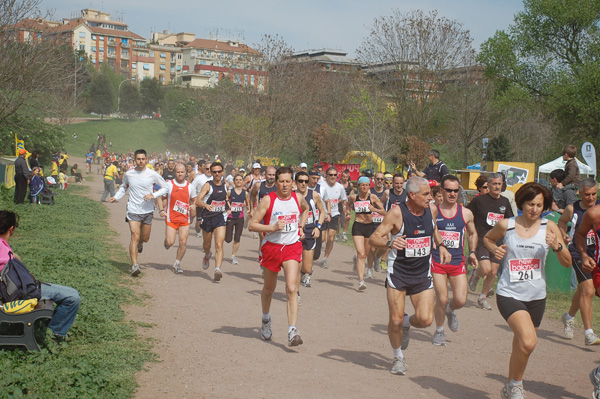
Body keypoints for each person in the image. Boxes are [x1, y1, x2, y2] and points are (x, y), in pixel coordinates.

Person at [483, 182, 570, 399]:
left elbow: (567, 262)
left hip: (537, 297)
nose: (534, 209)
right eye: (531, 204)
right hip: (509, 293)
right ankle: (516, 385)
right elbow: (487, 238)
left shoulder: (549, 227)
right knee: (529, 340)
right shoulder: (507, 225)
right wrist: (495, 250)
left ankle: (509, 386)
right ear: (522, 203)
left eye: (539, 205)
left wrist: (557, 246)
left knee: (522, 345)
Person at [369, 177, 452, 375]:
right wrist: (390, 244)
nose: (430, 197)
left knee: (425, 320)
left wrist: (440, 245)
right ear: (412, 195)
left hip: (422, 274)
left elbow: (434, 228)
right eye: (426, 194)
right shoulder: (397, 213)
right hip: (398, 273)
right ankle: (398, 357)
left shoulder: (431, 210)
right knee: (395, 319)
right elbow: (374, 238)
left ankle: (408, 323)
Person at [249, 166, 309, 346]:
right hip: (272, 248)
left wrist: (300, 226)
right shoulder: (268, 200)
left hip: (292, 247)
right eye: (281, 181)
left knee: (291, 288)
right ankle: (266, 319)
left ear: (293, 183)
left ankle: (292, 330)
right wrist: (272, 228)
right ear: (276, 182)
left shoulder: (298, 198)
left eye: (288, 181)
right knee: (269, 289)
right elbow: (252, 225)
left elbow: (305, 209)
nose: (284, 185)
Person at [0, 210, 81, 342]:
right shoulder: (1, 247)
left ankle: (51, 329)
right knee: (72, 296)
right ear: (11, 228)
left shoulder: (3, 246)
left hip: (20, 288)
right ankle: (55, 335)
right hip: (22, 292)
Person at [431, 175, 478, 346]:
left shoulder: (466, 213)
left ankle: (450, 311)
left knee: (460, 300)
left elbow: (472, 233)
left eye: (455, 190)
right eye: (449, 190)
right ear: (441, 191)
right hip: (437, 262)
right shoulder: (433, 211)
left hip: (457, 262)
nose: (452, 193)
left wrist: (472, 252)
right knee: (441, 298)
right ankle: (439, 330)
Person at [110, 149, 168, 277]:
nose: (140, 161)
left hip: (147, 210)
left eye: (143, 159)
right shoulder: (129, 174)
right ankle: (134, 265)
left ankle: (141, 243)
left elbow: (165, 187)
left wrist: (153, 195)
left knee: (144, 238)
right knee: (134, 236)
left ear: (146, 159)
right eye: (138, 159)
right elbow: (124, 186)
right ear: (134, 160)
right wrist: (116, 197)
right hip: (133, 209)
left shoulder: (152, 174)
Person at [558, 178, 600, 344]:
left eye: (594, 194)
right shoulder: (572, 208)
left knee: (582, 291)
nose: (590, 198)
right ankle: (589, 333)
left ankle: (568, 317)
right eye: (587, 194)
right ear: (579, 193)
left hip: (596, 253)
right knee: (588, 290)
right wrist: (563, 233)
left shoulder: (598, 209)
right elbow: (562, 222)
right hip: (578, 252)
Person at [467, 173, 514, 310]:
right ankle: (476, 274)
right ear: (489, 185)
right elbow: (467, 213)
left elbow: (509, 220)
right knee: (486, 269)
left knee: (493, 272)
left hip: (498, 242)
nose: (497, 186)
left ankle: (482, 297)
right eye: (494, 184)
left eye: (499, 184)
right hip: (482, 239)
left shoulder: (505, 202)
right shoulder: (479, 201)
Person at [158, 163, 197, 274]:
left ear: (186, 173)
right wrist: (161, 210)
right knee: (170, 242)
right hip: (171, 218)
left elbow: (194, 200)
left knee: (183, 242)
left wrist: (193, 205)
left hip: (184, 218)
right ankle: (166, 242)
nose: (180, 174)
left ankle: (177, 263)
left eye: (182, 172)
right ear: (175, 173)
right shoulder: (169, 184)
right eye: (178, 172)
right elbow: (160, 198)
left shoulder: (190, 187)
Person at [349, 176, 386, 289]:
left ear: (369, 186)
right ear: (359, 186)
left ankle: (357, 261)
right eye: (362, 185)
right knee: (361, 254)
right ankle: (361, 281)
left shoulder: (373, 197)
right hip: (358, 226)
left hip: (370, 226)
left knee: (366, 254)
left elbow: (384, 212)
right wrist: (347, 213)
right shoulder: (354, 197)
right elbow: (346, 204)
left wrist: (374, 209)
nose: (364, 187)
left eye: (366, 185)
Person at [196, 162, 228, 281]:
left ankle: (217, 269)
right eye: (214, 172)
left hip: (220, 217)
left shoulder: (226, 185)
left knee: (219, 244)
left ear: (222, 172)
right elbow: (197, 201)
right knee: (207, 245)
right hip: (208, 217)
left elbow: (226, 199)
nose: (217, 174)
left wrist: (228, 208)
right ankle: (207, 254)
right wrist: (205, 205)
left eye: (219, 171)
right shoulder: (207, 185)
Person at [295, 171, 325, 288]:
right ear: (295, 182)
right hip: (295, 231)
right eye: (300, 181)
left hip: (310, 231)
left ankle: (304, 273)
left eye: (306, 181)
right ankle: (295, 290)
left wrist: (318, 227)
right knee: (296, 263)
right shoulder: (291, 196)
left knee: (307, 268)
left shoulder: (314, 195)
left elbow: (322, 211)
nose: (303, 184)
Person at [319, 167, 348, 269]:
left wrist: (345, 210)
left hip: (334, 214)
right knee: (322, 238)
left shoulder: (340, 187)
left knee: (331, 237)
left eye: (335, 175)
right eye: (330, 175)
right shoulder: (321, 186)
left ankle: (325, 259)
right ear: (326, 175)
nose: (332, 177)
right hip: (322, 214)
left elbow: (344, 200)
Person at [225, 174, 250, 265]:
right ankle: (226, 235)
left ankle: (233, 256)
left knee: (237, 238)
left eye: (240, 180)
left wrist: (249, 210)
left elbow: (248, 202)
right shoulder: (230, 192)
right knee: (228, 239)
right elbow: (226, 200)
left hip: (240, 218)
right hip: (231, 217)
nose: (239, 181)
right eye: (237, 180)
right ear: (234, 182)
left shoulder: (245, 193)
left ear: (243, 182)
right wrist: (228, 208)